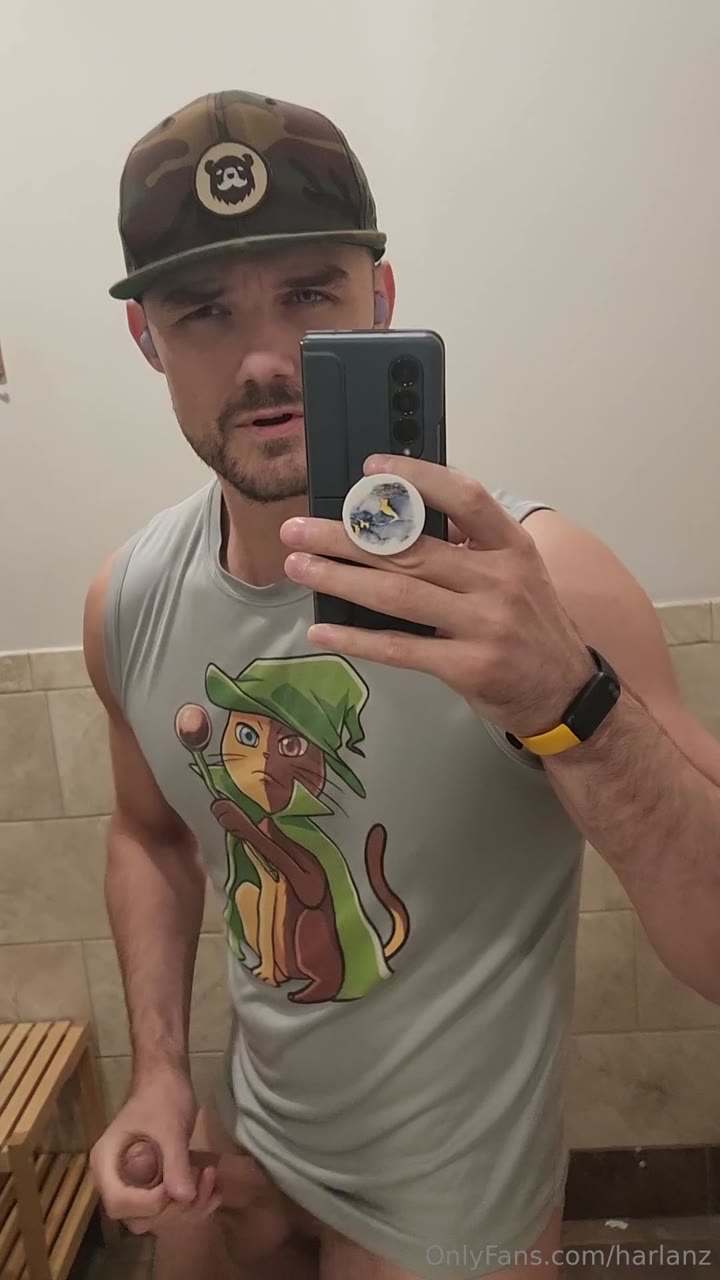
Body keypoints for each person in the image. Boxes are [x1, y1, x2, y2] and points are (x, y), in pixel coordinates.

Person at [85, 89, 720, 1280]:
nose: (264, 358)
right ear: (146, 337)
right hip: (246, 1162)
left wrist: (575, 707)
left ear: (379, 300)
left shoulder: (546, 579)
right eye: (205, 310)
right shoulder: (128, 597)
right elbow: (148, 834)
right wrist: (160, 1071)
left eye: (308, 293)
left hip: (456, 1215)